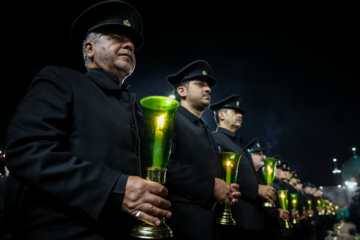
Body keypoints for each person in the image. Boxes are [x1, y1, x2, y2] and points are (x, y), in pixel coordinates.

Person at [2, 1, 172, 239]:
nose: (129, 45)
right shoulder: (61, 80)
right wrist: (114, 187)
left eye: (131, 44)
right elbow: (26, 150)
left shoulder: (137, 110)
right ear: (90, 48)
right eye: (116, 37)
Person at [164, 60, 241, 240]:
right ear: (181, 91)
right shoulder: (170, 119)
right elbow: (163, 166)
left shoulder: (204, 127)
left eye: (208, 86)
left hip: (207, 221)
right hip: (182, 221)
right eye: (200, 84)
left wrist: (226, 188)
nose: (208, 89)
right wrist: (211, 186)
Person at [209, 94, 276, 240]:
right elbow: (220, 174)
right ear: (221, 115)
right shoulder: (215, 138)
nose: (240, 115)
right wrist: (256, 189)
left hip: (253, 217)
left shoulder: (239, 143)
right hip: (236, 217)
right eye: (235, 111)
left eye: (241, 113)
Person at [246, 138, 283, 240]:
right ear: (249, 155)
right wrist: (276, 212)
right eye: (258, 154)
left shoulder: (261, 177)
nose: (262, 156)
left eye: (262, 154)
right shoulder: (248, 176)